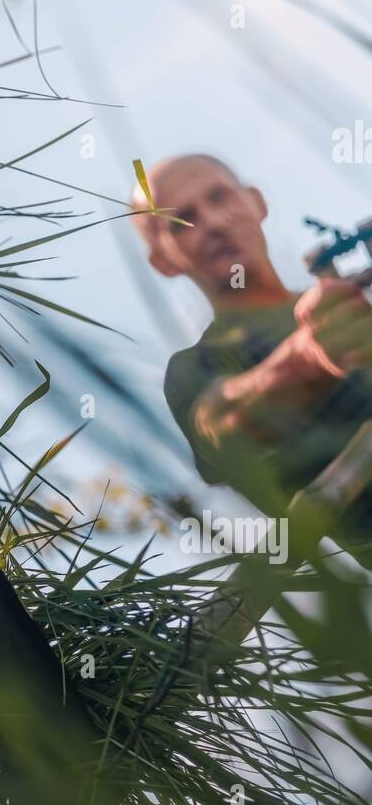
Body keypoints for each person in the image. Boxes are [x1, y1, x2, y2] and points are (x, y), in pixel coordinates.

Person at [132, 154, 372, 560]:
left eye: (219, 197)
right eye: (181, 221)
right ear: (162, 260)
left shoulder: (353, 294)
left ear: (256, 202)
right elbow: (223, 424)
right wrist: (310, 355)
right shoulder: (195, 367)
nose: (212, 223)